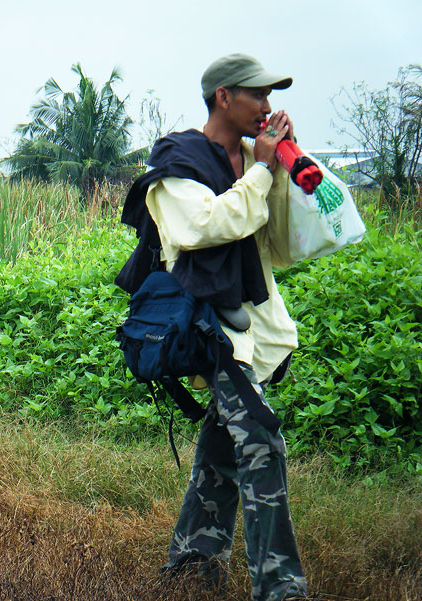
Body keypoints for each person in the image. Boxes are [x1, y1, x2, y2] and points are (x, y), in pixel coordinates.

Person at [119, 54, 310, 601]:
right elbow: (204, 227)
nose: (267, 108)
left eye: (271, 98)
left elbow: (278, 242)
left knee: (224, 447)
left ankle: (191, 564)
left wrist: (280, 167)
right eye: (257, 96)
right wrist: (261, 169)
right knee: (260, 438)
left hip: (254, 323)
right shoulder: (176, 160)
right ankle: (281, 588)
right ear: (224, 96)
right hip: (208, 326)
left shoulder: (256, 155)